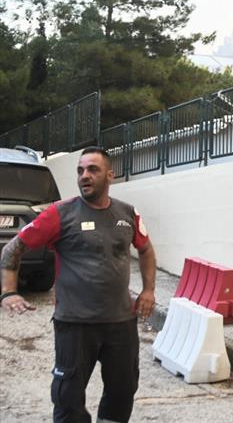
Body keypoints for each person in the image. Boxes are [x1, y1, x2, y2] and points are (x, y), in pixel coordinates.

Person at [0, 146, 157, 423]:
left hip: (120, 324)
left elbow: (145, 250)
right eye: (80, 170)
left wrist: (148, 290)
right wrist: (9, 292)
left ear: (110, 175)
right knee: (67, 397)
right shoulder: (60, 213)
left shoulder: (127, 213)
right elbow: (13, 248)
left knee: (123, 391)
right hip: (75, 325)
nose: (85, 175)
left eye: (93, 170)